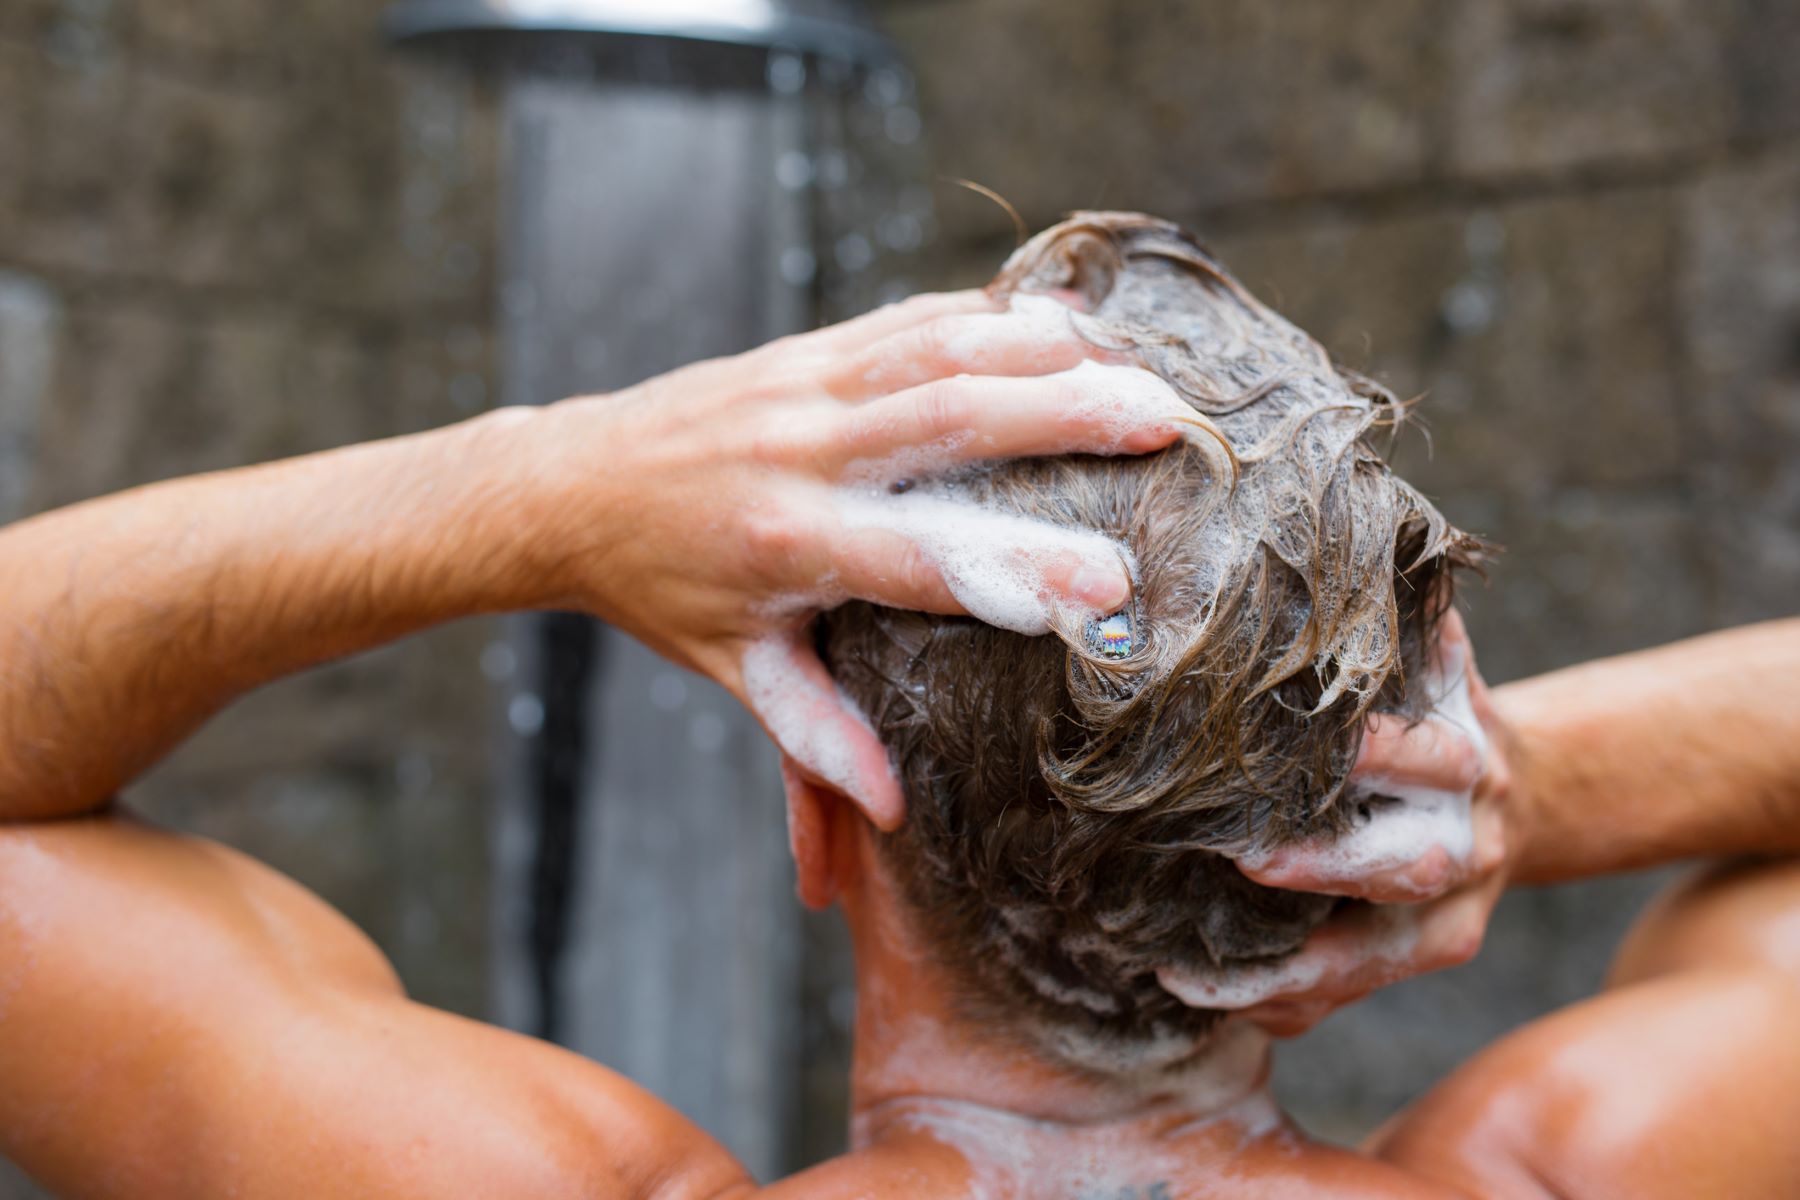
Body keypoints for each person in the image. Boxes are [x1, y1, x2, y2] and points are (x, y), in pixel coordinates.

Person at [0, 213, 1794, 1199]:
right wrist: (1512, 789)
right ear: (1341, 859)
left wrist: (544, 483)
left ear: (817, 801)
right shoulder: (1604, 1168)